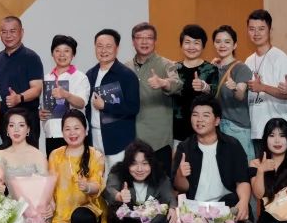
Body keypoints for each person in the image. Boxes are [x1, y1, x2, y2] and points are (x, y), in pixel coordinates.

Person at [172, 96, 252, 223]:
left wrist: (244, 201)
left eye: (205, 115)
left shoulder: (232, 145)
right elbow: (181, 188)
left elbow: (242, 180)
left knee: (237, 201)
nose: (199, 120)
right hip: (196, 208)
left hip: (223, 206)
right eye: (195, 115)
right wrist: (180, 174)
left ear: (217, 120)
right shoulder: (185, 147)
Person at [0, 108, 63, 223]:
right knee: (11, 216)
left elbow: (46, 187)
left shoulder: (37, 154)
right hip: (11, 205)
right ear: (7, 129)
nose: (16, 130)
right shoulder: (0, 155)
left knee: (30, 217)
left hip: (34, 208)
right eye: (12, 125)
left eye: (21, 125)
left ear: (28, 129)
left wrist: (51, 207)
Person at [103, 140, 176, 223]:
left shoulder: (160, 175)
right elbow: (108, 191)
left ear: (151, 164)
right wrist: (119, 195)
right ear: (127, 164)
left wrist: (173, 208)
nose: (140, 169)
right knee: (114, 213)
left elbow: (169, 196)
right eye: (134, 163)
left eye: (144, 163)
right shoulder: (118, 172)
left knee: (165, 211)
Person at [47, 109, 106, 223]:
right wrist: (50, 204)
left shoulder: (95, 155)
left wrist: (87, 187)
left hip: (87, 210)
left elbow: (97, 185)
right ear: (62, 132)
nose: (72, 133)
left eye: (76, 128)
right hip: (62, 213)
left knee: (80, 217)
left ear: (85, 130)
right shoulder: (55, 155)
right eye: (67, 129)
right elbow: (50, 185)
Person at [128, 22, 182, 167]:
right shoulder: (126, 67)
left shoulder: (166, 64)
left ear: (155, 41)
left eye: (149, 38)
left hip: (159, 139)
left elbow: (177, 84)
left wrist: (163, 82)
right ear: (133, 41)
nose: (144, 41)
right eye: (139, 37)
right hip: (132, 137)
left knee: (161, 179)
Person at [85, 28, 140, 169]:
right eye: (99, 46)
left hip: (119, 140)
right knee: (97, 178)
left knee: (118, 178)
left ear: (117, 48)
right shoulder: (90, 74)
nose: (103, 50)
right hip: (94, 137)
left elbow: (133, 108)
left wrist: (105, 106)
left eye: (108, 46)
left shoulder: (127, 75)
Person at [244, 10, 287, 156]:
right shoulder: (248, 61)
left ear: (270, 30)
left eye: (261, 29)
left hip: (277, 132)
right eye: (252, 29)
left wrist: (262, 87)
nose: (256, 33)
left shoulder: (280, 58)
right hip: (256, 131)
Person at [0, 16, 45, 146]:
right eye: (4, 32)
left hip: (26, 121)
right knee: (4, 157)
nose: (8, 35)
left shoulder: (32, 57)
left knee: (28, 157)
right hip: (3, 122)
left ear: (22, 32)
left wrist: (19, 98)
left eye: (12, 31)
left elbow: (37, 88)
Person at [38, 35, 91, 157]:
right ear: (52, 54)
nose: (62, 55)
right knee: (54, 168)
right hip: (51, 134)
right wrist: (40, 113)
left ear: (73, 55)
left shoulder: (80, 77)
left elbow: (82, 103)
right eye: (57, 51)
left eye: (66, 51)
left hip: (75, 134)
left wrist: (66, 95)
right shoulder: (46, 78)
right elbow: (41, 105)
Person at [171, 25, 220, 145]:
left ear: (203, 46)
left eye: (196, 43)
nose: (191, 47)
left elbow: (215, 92)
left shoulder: (211, 69)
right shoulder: (173, 69)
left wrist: (204, 87)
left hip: (203, 130)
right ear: (181, 45)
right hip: (177, 131)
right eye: (187, 42)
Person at [211, 25, 253, 153]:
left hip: (237, 127)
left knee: (242, 164)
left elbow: (240, 95)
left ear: (235, 45)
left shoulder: (241, 68)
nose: (222, 45)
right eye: (218, 41)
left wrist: (235, 88)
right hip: (217, 126)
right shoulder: (213, 68)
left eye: (227, 42)